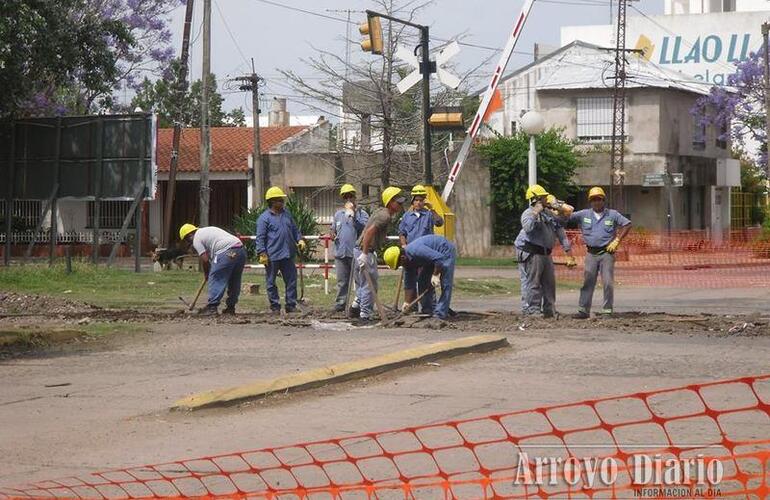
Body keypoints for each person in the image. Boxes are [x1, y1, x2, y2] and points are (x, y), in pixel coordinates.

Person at [569, 186, 632, 318]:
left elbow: (627, 224)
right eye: (593, 200)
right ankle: (583, 310)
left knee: (608, 282)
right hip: (591, 254)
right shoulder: (584, 214)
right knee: (588, 281)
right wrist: (557, 207)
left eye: (599, 199)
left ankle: (607, 310)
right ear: (590, 202)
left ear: (603, 200)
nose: (596, 202)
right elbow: (567, 216)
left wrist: (617, 241)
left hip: (606, 253)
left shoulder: (613, 214)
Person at [515, 184, 577, 318]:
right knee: (533, 282)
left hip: (545, 253)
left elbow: (566, 216)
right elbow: (528, 228)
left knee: (549, 283)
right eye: (543, 197)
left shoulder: (548, 213)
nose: (546, 199)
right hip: (532, 252)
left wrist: (558, 206)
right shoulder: (528, 213)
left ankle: (549, 310)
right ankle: (532, 310)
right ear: (536, 199)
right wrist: (535, 212)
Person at [352, 186, 407, 323]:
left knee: (362, 282)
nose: (400, 205)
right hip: (365, 250)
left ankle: (355, 306)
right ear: (390, 202)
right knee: (370, 285)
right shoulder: (385, 216)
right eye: (398, 203)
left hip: (360, 249)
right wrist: (365, 254)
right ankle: (365, 315)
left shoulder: (380, 212)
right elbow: (370, 232)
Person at [255, 187, 307, 313]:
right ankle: (275, 306)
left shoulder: (287, 214)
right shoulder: (264, 218)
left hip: (288, 254)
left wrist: (300, 239)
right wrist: (262, 252)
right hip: (272, 255)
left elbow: (295, 230)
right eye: (280, 200)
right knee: (271, 282)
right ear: (272, 201)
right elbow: (260, 237)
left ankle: (290, 305)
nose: (282, 203)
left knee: (291, 280)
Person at [179, 223, 247, 316]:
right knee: (234, 280)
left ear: (189, 236)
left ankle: (212, 307)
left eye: (187, 241)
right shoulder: (207, 230)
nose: (189, 243)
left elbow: (205, 259)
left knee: (215, 277)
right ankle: (231, 307)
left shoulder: (196, 239)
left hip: (226, 252)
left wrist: (207, 273)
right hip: (240, 251)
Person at [383, 235, 456, 320]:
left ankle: (440, 314)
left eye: (399, 264)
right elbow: (409, 284)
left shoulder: (416, 251)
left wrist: (435, 275)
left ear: (402, 258)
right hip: (432, 258)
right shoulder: (407, 262)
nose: (401, 266)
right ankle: (428, 310)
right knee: (423, 281)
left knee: (446, 283)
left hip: (444, 250)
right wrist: (407, 302)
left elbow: (439, 259)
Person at [398, 184, 444, 314]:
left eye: (421, 200)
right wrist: (404, 245)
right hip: (411, 254)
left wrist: (432, 209)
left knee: (425, 282)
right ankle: (410, 306)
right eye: (416, 200)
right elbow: (402, 233)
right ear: (412, 200)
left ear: (424, 201)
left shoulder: (429, 215)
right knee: (409, 281)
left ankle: (428, 308)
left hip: (425, 254)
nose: (418, 203)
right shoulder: (407, 216)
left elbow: (440, 222)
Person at [329, 184, 369, 312]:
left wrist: (354, 215)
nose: (348, 199)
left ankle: (359, 304)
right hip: (341, 252)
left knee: (359, 281)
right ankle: (341, 303)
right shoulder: (338, 214)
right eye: (345, 197)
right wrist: (332, 234)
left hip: (356, 253)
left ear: (355, 197)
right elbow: (333, 229)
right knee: (342, 281)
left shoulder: (362, 214)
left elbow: (364, 229)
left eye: (350, 196)